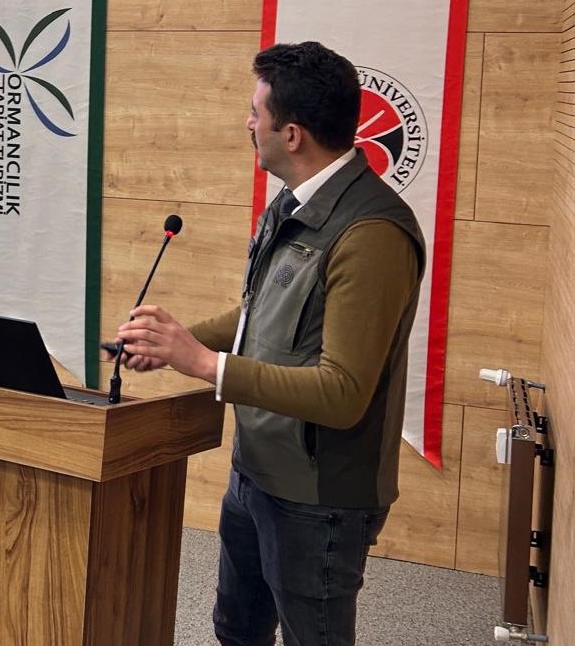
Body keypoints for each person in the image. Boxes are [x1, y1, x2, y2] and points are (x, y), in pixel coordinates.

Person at [116, 41, 425, 646]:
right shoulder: (295, 202)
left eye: (255, 112)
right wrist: (173, 342)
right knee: (237, 631)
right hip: (255, 470)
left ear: (292, 134)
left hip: (319, 498)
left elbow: (343, 393)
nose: (247, 124)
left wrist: (203, 362)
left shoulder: (371, 233)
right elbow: (263, 316)